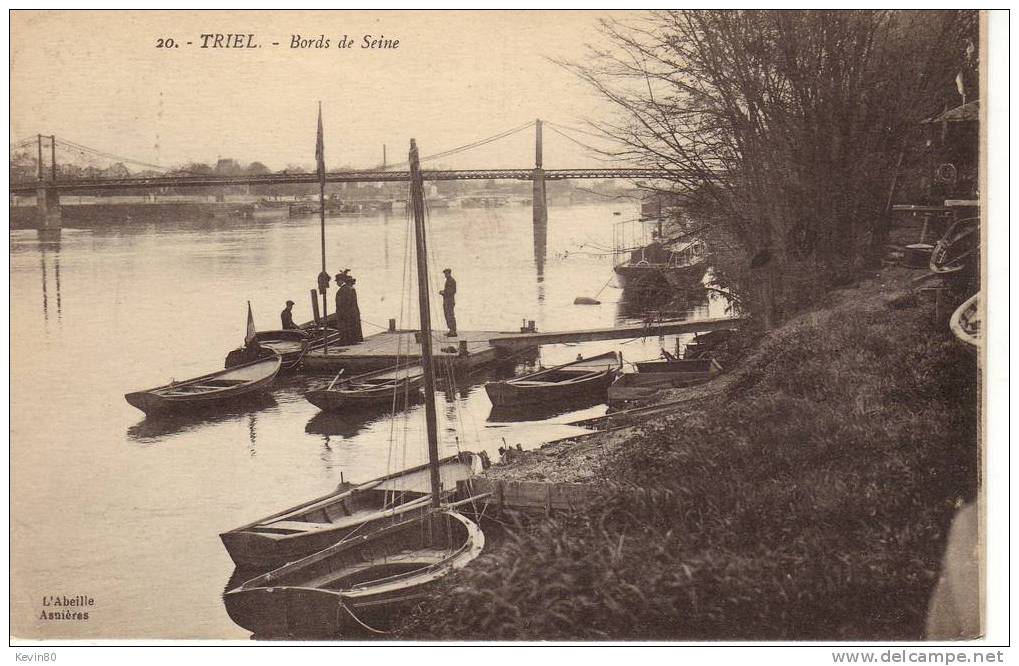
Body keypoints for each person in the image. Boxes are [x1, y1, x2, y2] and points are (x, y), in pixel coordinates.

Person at [439, 268, 457, 337]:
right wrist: (443, 291)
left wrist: (444, 292)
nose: (445, 275)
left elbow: (453, 291)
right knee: (447, 315)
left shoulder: (452, 280)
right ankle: (451, 330)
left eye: (446, 273)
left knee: (450, 316)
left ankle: (453, 331)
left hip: (449, 301)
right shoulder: (448, 280)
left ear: (449, 273)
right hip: (447, 301)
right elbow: (448, 290)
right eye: (445, 274)